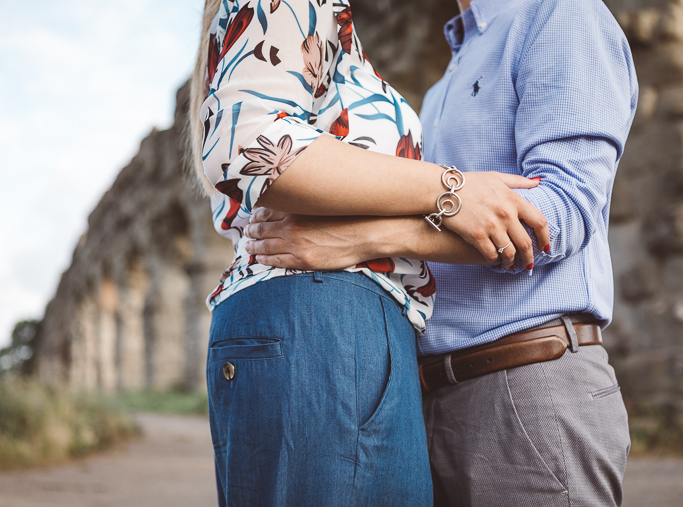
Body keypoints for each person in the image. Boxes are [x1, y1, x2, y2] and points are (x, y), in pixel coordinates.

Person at [245, 0, 639, 505]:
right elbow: (451, 212)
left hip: (528, 383)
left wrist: (364, 237)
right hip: (431, 400)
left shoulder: (560, 14)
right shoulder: (445, 77)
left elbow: (559, 214)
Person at [189, 0, 549, 505]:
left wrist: (383, 231)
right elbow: (250, 140)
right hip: (324, 321)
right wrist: (450, 188)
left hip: (324, 321)